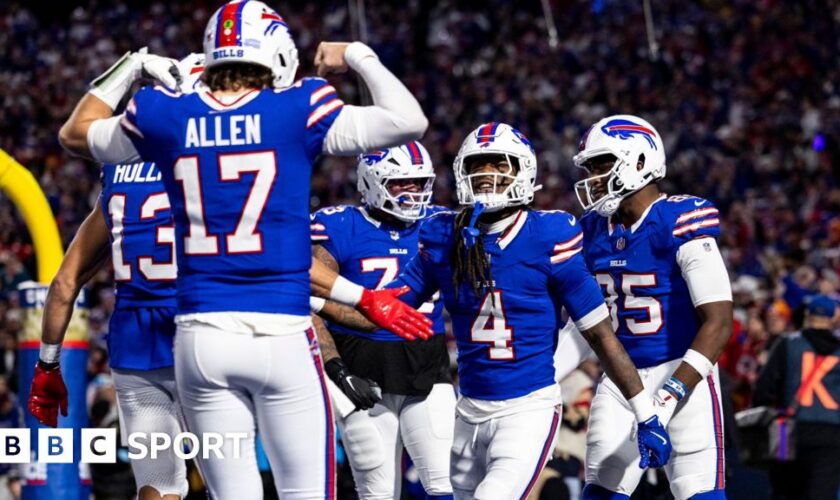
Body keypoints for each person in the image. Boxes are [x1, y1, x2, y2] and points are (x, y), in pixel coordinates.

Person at [47, 1, 433, 497]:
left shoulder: (164, 116)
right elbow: (407, 121)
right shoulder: (298, 106)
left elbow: (74, 134)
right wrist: (357, 55)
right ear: (276, 52)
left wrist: (133, 65)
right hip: (280, 331)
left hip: (201, 338)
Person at [330, 122, 672, 499]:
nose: (488, 176)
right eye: (479, 165)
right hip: (468, 410)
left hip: (527, 410)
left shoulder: (549, 236)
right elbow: (385, 311)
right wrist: (311, 302)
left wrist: (646, 414)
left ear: (523, 171)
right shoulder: (443, 235)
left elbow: (600, 335)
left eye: (500, 165)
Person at [28, 55, 205, 500]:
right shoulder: (215, 157)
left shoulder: (118, 169)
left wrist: (48, 364)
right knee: (232, 475)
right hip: (205, 325)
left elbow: (65, 282)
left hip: (135, 342)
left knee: (158, 484)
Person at [573, 115, 734, 499]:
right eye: (591, 168)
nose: (594, 177)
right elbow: (584, 324)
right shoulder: (591, 230)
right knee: (601, 492)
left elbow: (719, 322)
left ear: (640, 162)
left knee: (700, 494)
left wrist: (668, 397)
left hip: (682, 373)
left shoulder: (679, 219)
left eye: (602, 164)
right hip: (619, 380)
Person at [310, 142, 455, 498]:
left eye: (419, 182)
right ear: (371, 182)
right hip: (360, 367)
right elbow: (307, 303)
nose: (413, 193)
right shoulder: (338, 225)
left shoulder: (440, 224)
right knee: (377, 491)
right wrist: (337, 371)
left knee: (444, 484)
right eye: (401, 183)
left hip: (427, 363)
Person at [754, 294, 840, 500]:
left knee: (784, 492)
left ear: (807, 316)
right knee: (822, 493)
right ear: (834, 318)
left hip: (785, 430)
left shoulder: (787, 343)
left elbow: (763, 389)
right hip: (831, 431)